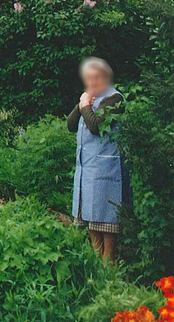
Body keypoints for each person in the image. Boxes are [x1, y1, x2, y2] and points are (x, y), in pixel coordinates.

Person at [68, 56, 126, 260]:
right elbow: (70, 125)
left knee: (106, 218)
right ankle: (96, 262)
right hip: (88, 168)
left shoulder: (114, 99)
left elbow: (96, 127)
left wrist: (85, 107)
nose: (92, 82)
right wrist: (81, 104)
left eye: (96, 78)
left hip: (105, 168)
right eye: (88, 78)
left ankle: (108, 264)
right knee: (91, 218)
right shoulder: (90, 98)